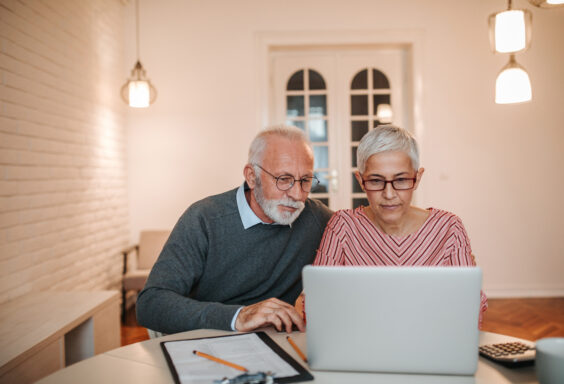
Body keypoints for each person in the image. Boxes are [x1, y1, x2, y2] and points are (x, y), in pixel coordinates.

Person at [136, 125, 333, 334]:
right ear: (251, 176)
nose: (296, 194)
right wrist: (238, 316)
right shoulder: (204, 218)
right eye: (283, 179)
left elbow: (361, 229)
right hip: (206, 338)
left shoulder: (317, 218)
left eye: (305, 180)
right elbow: (151, 304)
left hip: (275, 343)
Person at [309, 125, 488, 325]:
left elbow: (470, 310)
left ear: (417, 178)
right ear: (360, 180)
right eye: (376, 181)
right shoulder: (343, 226)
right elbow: (317, 303)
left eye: (401, 180)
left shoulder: (449, 228)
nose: (389, 194)